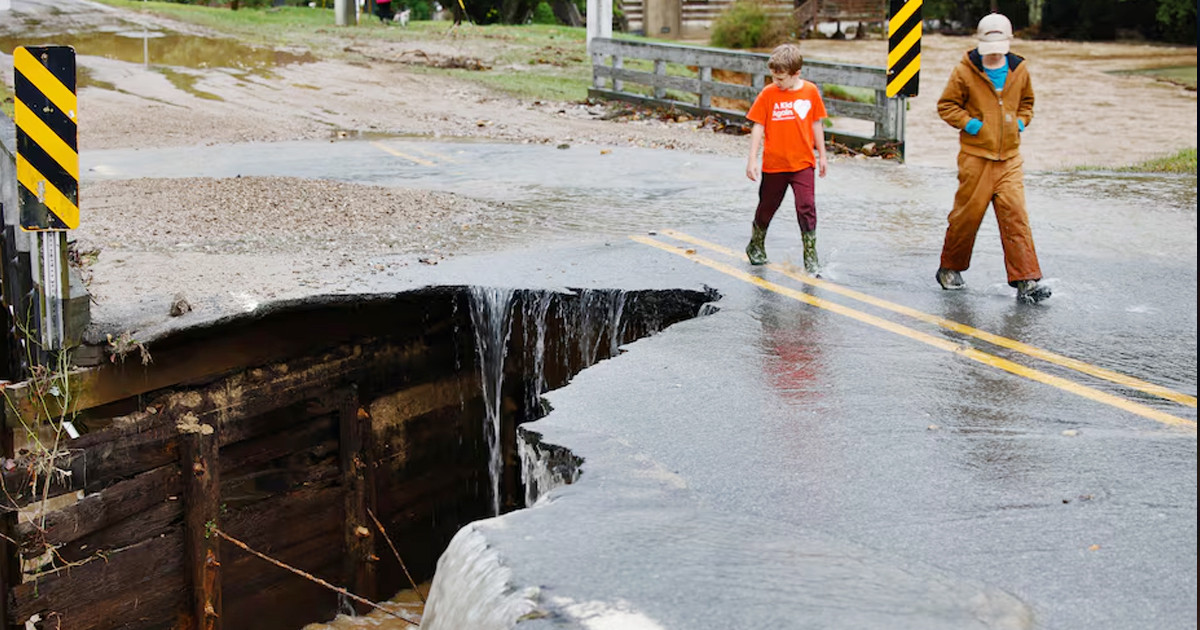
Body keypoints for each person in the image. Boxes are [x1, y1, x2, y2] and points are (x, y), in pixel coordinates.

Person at [935, 13, 1051, 303]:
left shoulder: (1020, 70)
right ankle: (949, 269)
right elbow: (946, 106)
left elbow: (1028, 103)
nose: (996, 53)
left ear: (1009, 42)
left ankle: (1026, 280)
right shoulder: (964, 70)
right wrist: (973, 125)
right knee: (966, 218)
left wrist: (1020, 123)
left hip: (1010, 158)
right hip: (976, 157)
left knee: (1016, 217)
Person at [744, 43, 829, 274]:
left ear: (796, 74)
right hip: (774, 163)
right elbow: (758, 125)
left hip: (803, 163)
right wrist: (752, 159)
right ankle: (756, 243)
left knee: (807, 206)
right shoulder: (768, 94)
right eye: (774, 77)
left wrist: (822, 155)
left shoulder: (810, 92)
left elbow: (816, 123)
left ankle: (810, 255)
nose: (777, 83)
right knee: (767, 206)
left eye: (781, 79)